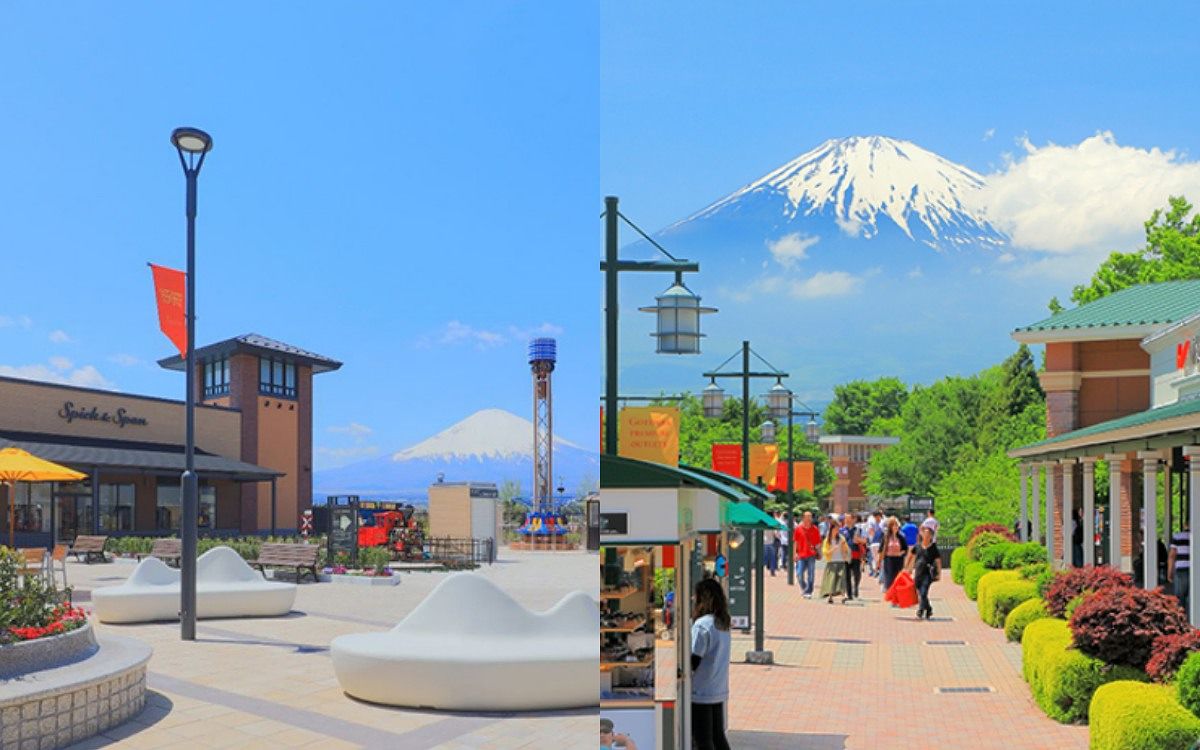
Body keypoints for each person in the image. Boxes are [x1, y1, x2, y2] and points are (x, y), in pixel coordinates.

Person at [691, 578, 732, 750]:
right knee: (717, 736)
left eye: (695, 596)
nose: (693, 599)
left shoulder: (702, 626)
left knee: (703, 739)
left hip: (700, 690)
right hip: (718, 688)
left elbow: (694, 660)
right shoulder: (723, 623)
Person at [906, 524, 942, 620]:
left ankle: (921, 610)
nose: (926, 536)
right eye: (924, 533)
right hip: (918, 572)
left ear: (931, 536)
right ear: (921, 534)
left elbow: (938, 561)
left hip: (928, 573)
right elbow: (910, 556)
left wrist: (939, 573)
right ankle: (929, 608)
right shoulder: (917, 546)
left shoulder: (933, 547)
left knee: (923, 592)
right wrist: (907, 568)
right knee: (919, 592)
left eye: (928, 534)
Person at [819, 517, 851, 604]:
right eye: (836, 528)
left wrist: (845, 554)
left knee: (842, 579)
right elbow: (824, 551)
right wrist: (832, 549)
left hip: (840, 561)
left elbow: (846, 549)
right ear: (832, 528)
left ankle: (844, 596)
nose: (837, 530)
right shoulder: (827, 540)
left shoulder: (841, 538)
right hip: (831, 562)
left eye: (838, 528)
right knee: (831, 580)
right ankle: (830, 596)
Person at [878, 517, 909, 594]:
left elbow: (905, 549)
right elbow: (881, 550)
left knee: (898, 578)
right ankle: (892, 595)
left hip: (899, 560)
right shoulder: (886, 537)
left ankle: (896, 596)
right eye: (893, 525)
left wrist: (901, 553)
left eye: (896, 525)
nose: (895, 527)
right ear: (890, 527)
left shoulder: (901, 537)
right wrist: (879, 561)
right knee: (890, 579)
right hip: (889, 560)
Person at [794, 511, 821, 598]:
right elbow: (795, 542)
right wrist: (794, 553)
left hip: (811, 555)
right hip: (801, 555)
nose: (809, 519)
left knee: (811, 574)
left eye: (810, 517)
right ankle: (805, 588)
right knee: (799, 574)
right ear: (803, 518)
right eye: (807, 517)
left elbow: (818, 543)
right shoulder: (798, 529)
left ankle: (808, 591)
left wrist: (819, 552)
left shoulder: (815, 529)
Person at [841, 513, 864, 600]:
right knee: (847, 575)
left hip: (856, 555)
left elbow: (865, 541)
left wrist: (858, 540)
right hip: (845, 556)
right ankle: (849, 594)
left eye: (848, 518)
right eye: (845, 519)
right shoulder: (842, 530)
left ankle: (856, 587)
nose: (846, 520)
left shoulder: (858, 530)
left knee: (857, 574)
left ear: (853, 519)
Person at [1168, 526, 1191, 614]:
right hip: (1195, 571)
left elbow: (1172, 556)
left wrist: (1170, 572)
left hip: (1181, 570)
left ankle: (1182, 620)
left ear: (1185, 524)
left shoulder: (1177, 536)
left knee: (1179, 599)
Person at [867, 510, 884, 578]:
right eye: (876, 517)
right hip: (875, 543)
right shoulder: (872, 523)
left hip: (879, 543)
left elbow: (871, 531)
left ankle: (878, 572)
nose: (877, 518)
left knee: (878, 558)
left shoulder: (881, 523)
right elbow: (870, 531)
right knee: (876, 558)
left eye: (878, 516)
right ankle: (877, 571)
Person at [765, 512, 780, 577]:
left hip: (763, 542)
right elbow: (776, 533)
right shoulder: (773, 523)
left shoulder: (763, 521)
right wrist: (778, 536)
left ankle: (760, 571)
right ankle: (772, 571)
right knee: (772, 558)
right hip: (771, 542)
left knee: (764, 557)